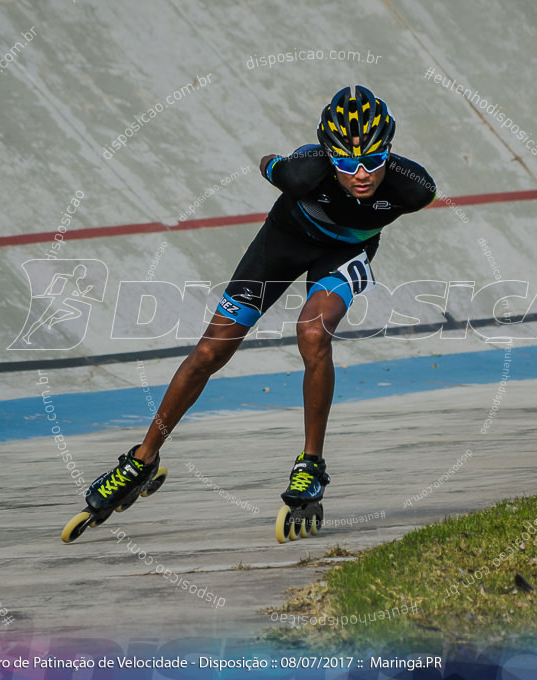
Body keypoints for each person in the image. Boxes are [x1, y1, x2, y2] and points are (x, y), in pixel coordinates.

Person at [86, 85, 436, 518]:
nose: (360, 174)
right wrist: (282, 163)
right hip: (283, 242)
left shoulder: (415, 188)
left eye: (372, 161)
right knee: (210, 351)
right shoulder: (303, 173)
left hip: (342, 252)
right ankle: (142, 460)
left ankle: (311, 465)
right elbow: (268, 163)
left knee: (312, 332)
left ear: (389, 153)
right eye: (345, 162)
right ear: (330, 156)